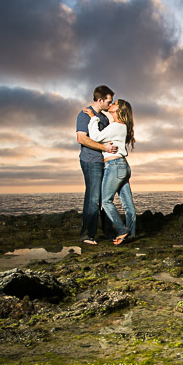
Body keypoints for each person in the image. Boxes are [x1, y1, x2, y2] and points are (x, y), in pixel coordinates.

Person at [83, 99, 136, 245]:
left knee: (106, 201)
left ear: (119, 110)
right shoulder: (122, 126)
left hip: (114, 166)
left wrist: (93, 118)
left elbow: (95, 137)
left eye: (114, 103)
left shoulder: (116, 126)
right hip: (122, 166)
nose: (111, 104)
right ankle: (130, 234)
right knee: (128, 205)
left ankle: (121, 230)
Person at [76, 85, 118, 245]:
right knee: (93, 198)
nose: (110, 104)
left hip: (105, 161)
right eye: (109, 101)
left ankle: (108, 232)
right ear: (100, 100)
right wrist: (104, 147)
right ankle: (87, 235)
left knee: (106, 198)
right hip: (90, 160)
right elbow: (82, 138)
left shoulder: (105, 118)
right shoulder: (84, 115)